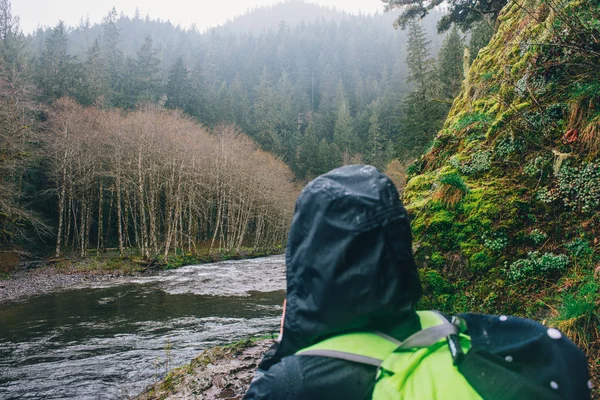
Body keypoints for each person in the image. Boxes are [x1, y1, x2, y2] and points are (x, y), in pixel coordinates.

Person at [244, 165, 591, 400]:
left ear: (305, 257)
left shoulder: (287, 385)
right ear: (399, 248)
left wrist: (285, 344)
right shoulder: (490, 338)